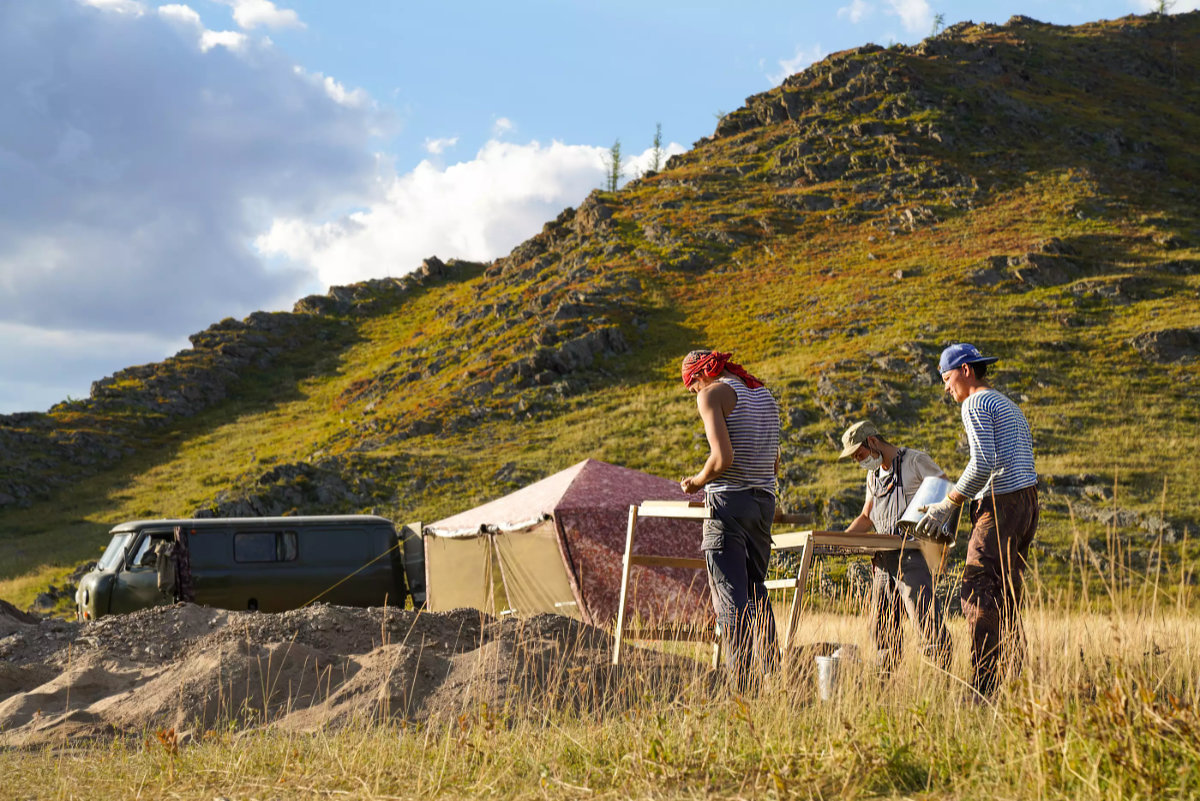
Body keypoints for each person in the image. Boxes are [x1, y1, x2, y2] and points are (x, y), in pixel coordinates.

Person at [917, 343, 1038, 698]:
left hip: (999, 504)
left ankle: (984, 686)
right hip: (1026, 502)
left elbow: (983, 462)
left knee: (977, 590)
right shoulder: (1007, 404)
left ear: (966, 370)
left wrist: (949, 502)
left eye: (946, 377)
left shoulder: (975, 403)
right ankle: (1016, 682)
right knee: (1007, 595)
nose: (946, 387)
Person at [679, 349, 780, 691]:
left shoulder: (711, 395)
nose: (694, 393)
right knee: (756, 591)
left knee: (730, 599)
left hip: (728, 504)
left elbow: (722, 458)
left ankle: (743, 689)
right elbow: (774, 462)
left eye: (692, 387)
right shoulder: (763, 394)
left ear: (700, 376)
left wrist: (696, 482)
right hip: (763, 503)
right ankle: (774, 678)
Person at [838, 420, 953, 674]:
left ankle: (941, 679)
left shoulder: (915, 461)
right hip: (882, 561)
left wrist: (934, 536)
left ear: (872, 442)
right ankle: (884, 682)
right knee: (881, 627)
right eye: (855, 458)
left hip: (913, 557)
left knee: (925, 620)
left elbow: (945, 489)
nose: (858, 461)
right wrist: (841, 540)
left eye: (859, 454)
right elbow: (866, 517)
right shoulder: (873, 475)